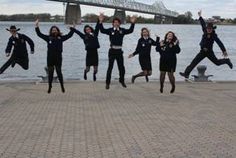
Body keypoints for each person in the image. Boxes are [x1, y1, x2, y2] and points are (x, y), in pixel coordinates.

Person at [180, 10, 233, 79]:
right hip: (202, 51)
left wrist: (224, 51)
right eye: (208, 29)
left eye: (210, 29)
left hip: (209, 52)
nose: (209, 30)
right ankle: (186, 74)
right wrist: (200, 16)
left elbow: (219, 43)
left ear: (212, 29)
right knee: (194, 62)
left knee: (217, 63)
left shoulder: (214, 35)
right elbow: (202, 23)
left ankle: (226, 61)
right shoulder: (205, 30)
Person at [35, 19, 74, 94]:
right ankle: (50, 86)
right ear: (51, 31)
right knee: (50, 73)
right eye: (53, 30)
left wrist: (72, 28)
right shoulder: (48, 38)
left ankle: (62, 86)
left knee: (59, 72)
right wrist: (37, 26)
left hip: (58, 58)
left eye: (55, 30)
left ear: (58, 31)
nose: (54, 31)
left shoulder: (61, 38)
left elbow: (70, 35)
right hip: (50, 58)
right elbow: (39, 34)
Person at [99, 13, 137, 89]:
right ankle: (107, 83)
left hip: (119, 51)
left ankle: (122, 81)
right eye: (114, 22)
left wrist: (132, 23)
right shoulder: (110, 30)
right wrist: (100, 22)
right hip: (112, 51)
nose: (116, 23)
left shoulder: (122, 30)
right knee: (110, 67)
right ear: (113, 23)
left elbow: (130, 30)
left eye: (117, 22)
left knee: (121, 68)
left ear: (119, 23)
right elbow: (102, 30)